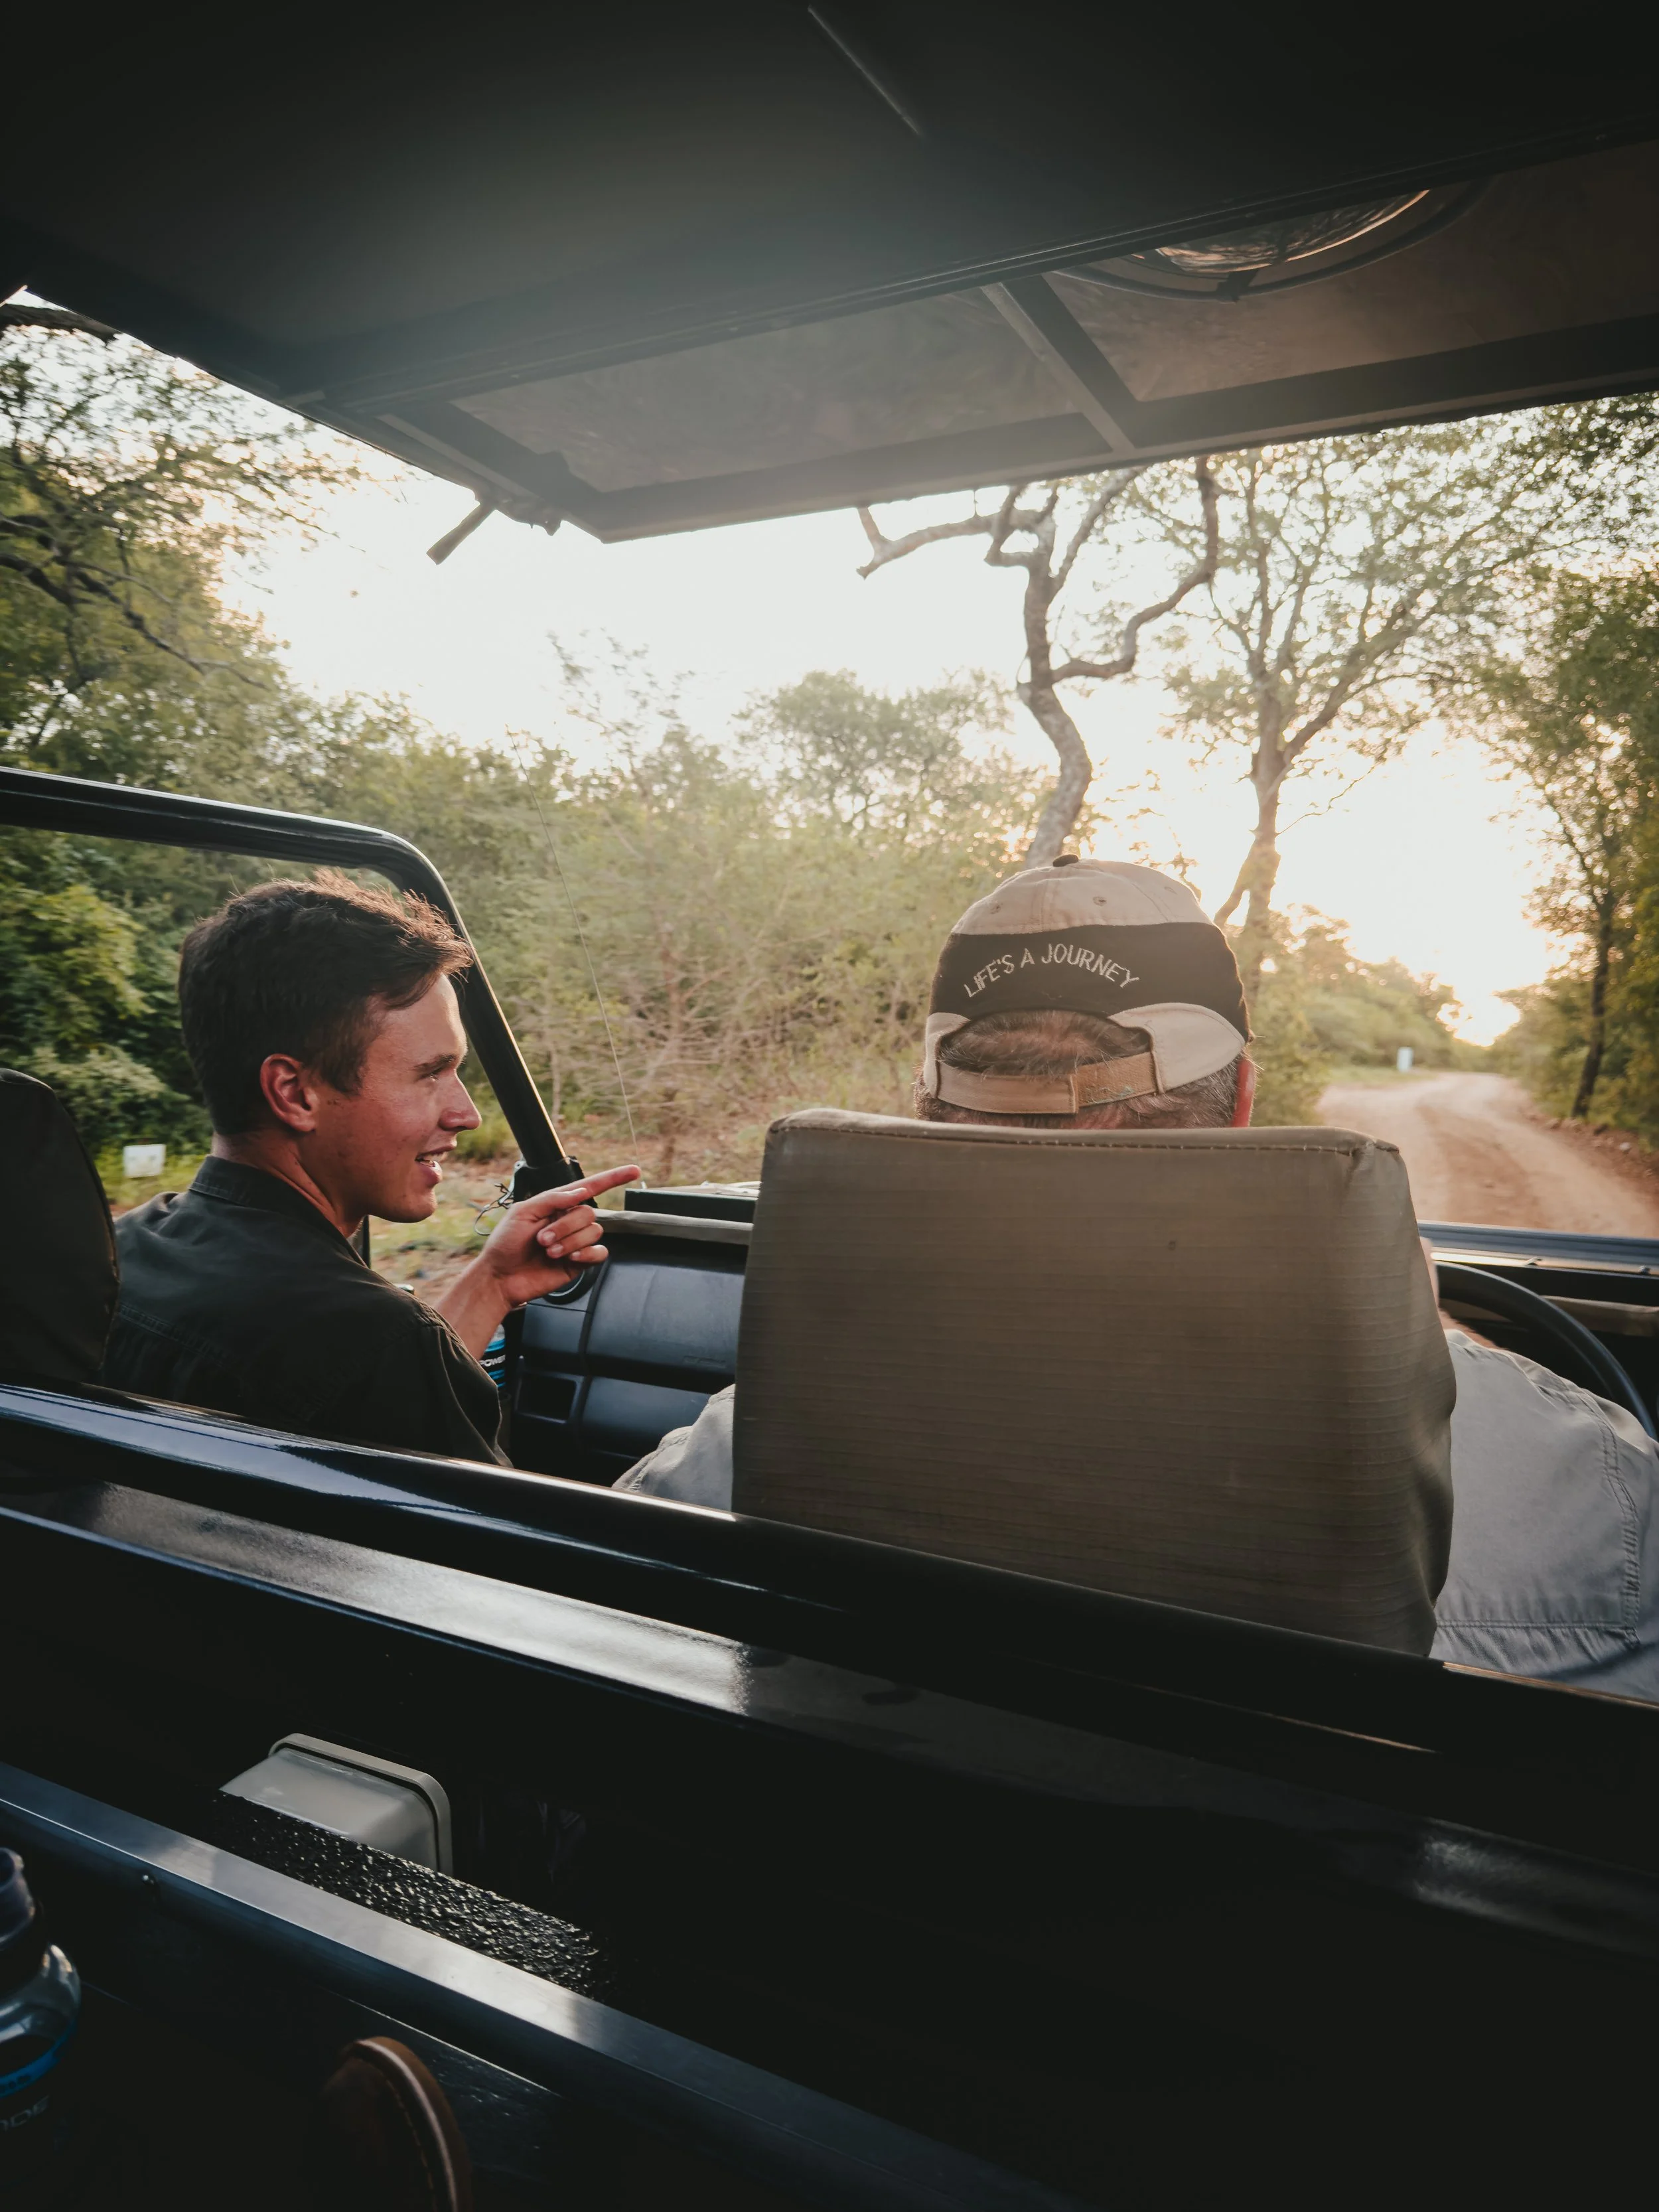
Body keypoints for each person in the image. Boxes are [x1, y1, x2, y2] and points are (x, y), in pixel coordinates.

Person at [617, 854, 1659, 1702]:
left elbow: (602, 1589)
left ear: (929, 1114)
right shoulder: (1593, 1501)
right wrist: (1426, 1339)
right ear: (1243, 1097)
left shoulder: (773, 1430)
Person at [102, 873, 637, 1463]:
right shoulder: (371, 1342)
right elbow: (492, 1552)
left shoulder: (118, 1256)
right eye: (430, 1072)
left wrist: (493, 1283)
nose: (467, 1114)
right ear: (296, 1093)